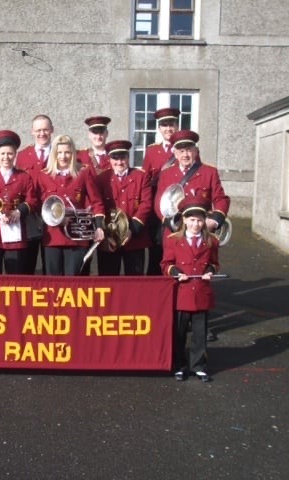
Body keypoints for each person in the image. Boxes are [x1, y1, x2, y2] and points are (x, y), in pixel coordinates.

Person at [161, 196, 220, 383]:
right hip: (182, 293)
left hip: (201, 292)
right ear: (184, 220)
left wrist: (210, 271)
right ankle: (179, 366)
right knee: (179, 334)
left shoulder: (212, 241)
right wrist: (176, 272)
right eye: (192, 220)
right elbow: (166, 264)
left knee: (200, 334)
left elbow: (215, 263)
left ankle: (198, 366)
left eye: (200, 220)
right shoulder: (173, 240)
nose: (196, 224)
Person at [36, 134, 106, 275]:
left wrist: (99, 227)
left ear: (73, 153)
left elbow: (97, 202)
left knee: (74, 281)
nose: (63, 156)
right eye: (59, 152)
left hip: (77, 238)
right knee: (53, 282)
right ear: (54, 154)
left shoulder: (83, 173)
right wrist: (57, 219)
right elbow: (38, 205)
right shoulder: (44, 175)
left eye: (67, 152)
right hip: (52, 237)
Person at [0, 130, 39, 274]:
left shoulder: (24, 177)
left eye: (10, 153)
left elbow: (32, 200)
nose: (6, 157)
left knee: (16, 278)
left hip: (15, 234)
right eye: (3, 153)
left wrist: (19, 212)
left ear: (15, 154)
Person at [95, 140, 152, 275]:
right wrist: (103, 230)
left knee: (134, 280)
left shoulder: (141, 176)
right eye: (115, 158)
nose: (119, 162)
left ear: (128, 157)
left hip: (134, 239)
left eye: (123, 158)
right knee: (108, 279)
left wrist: (131, 229)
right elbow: (97, 204)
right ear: (109, 159)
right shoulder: (102, 178)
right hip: (109, 239)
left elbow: (146, 204)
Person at [142, 107, 181, 276]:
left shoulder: (185, 149)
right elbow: (146, 180)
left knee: (179, 248)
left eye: (171, 124)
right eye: (164, 125)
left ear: (177, 126)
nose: (168, 128)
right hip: (158, 210)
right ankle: (155, 285)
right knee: (156, 250)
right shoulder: (152, 151)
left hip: (179, 207)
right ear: (159, 128)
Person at [15, 114, 55, 274]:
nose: (42, 133)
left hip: (53, 215)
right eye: (38, 130)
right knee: (27, 265)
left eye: (45, 130)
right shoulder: (23, 155)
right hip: (30, 216)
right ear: (32, 131)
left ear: (52, 130)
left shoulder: (59, 152)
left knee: (51, 266)